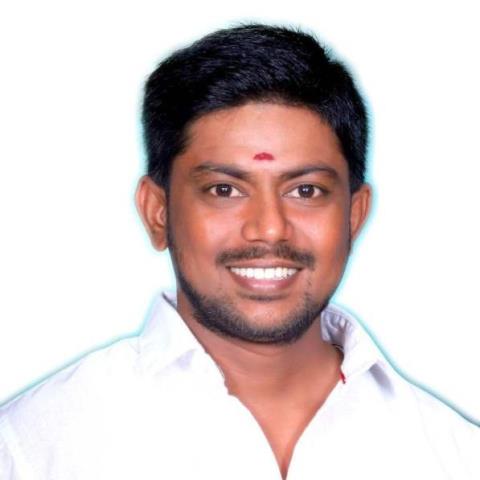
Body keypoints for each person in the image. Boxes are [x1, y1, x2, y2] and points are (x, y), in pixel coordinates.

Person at [0, 24, 478, 480]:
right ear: (157, 212)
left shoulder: (456, 458)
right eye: (224, 190)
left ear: (354, 215)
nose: (268, 227)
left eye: (306, 191)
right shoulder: (32, 450)